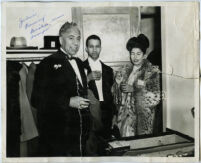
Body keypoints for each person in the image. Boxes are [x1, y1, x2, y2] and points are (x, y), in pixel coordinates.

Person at [31, 22, 91, 156]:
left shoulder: (80, 64)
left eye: (78, 38)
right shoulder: (47, 63)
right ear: (60, 40)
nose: (76, 43)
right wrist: (67, 101)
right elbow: (36, 99)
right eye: (71, 38)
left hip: (81, 134)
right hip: (59, 137)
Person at [112, 34, 161, 137]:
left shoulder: (151, 72)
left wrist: (134, 89)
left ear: (144, 55)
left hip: (141, 120)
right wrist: (118, 85)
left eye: (138, 54)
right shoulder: (124, 70)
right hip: (124, 119)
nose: (135, 57)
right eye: (132, 53)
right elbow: (116, 97)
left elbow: (155, 97)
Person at [83, 35, 116, 155]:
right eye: (91, 46)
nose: (94, 49)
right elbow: (73, 90)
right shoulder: (79, 68)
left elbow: (112, 96)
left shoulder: (108, 70)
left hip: (107, 113)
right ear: (86, 48)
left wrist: (114, 115)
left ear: (101, 48)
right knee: (91, 151)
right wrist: (87, 78)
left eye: (97, 46)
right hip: (89, 113)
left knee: (106, 150)